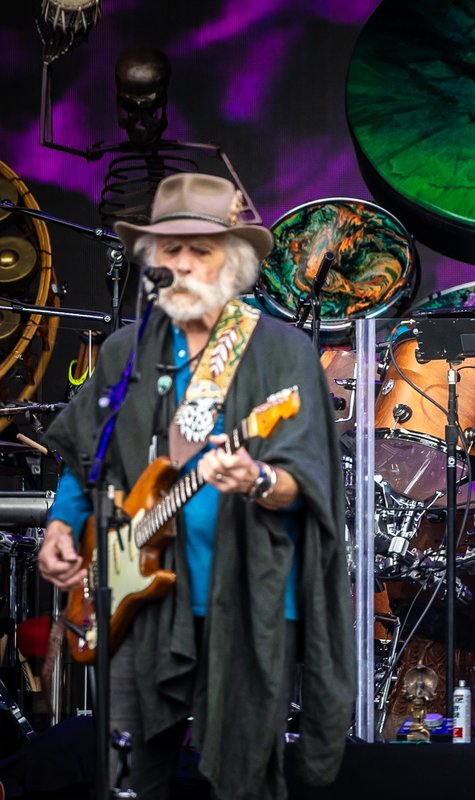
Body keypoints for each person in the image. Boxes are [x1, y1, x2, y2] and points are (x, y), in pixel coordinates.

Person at [36, 173, 353, 799]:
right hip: (137, 598)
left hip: (247, 600)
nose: (181, 263)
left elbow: (308, 483)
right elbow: (87, 457)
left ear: (232, 262)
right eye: (169, 249)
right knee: (125, 779)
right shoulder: (127, 351)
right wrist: (62, 525)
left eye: (199, 250)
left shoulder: (282, 354)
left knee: (241, 778)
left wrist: (260, 478)